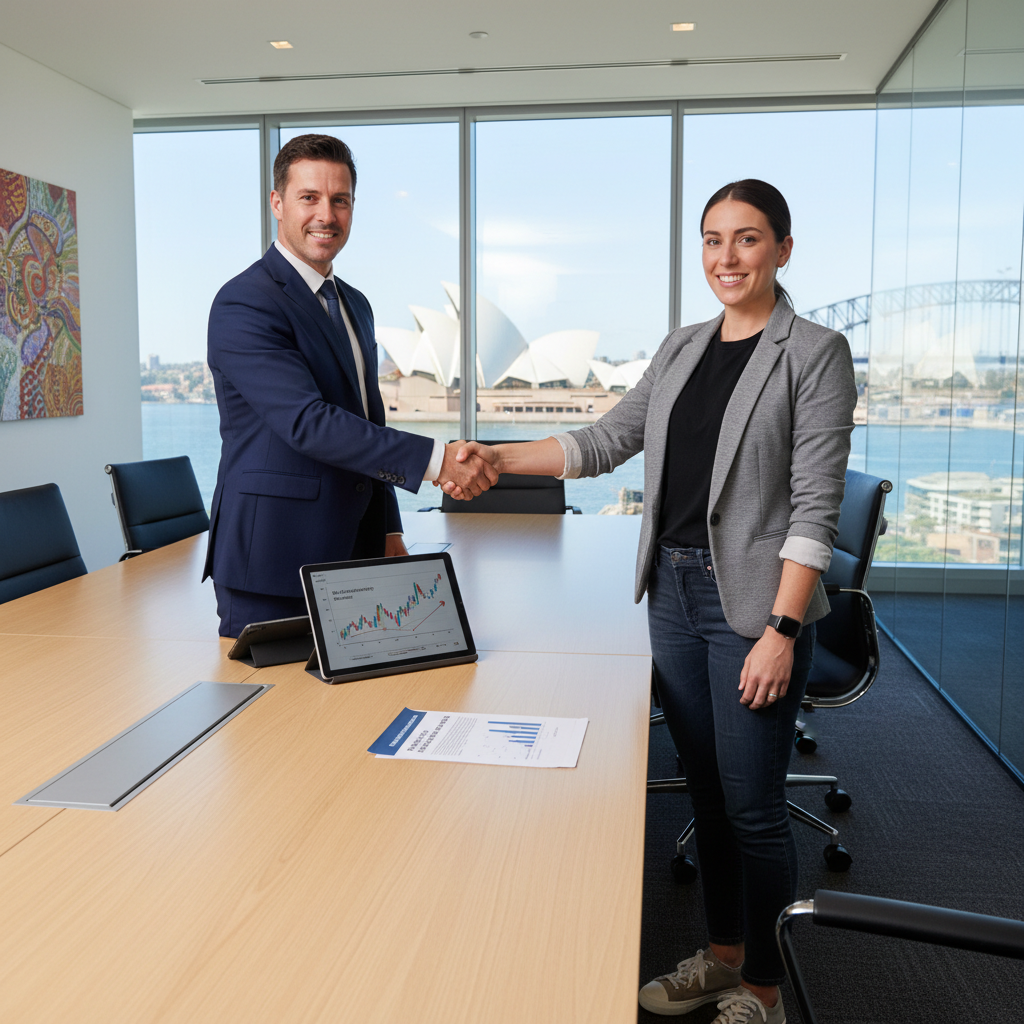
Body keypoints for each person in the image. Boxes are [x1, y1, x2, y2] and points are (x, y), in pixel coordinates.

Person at [449, 180, 857, 1024]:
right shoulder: (680, 348)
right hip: (669, 592)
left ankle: (765, 993)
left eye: (747, 240)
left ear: (783, 248)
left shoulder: (814, 352)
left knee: (752, 808)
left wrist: (782, 629)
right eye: (713, 240)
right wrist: (492, 457)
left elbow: (815, 505)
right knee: (703, 791)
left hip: (751, 605)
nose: (727, 258)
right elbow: (603, 441)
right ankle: (721, 955)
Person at [203, 134, 496, 637]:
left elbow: (367, 422)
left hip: (357, 551)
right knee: (276, 711)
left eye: (340, 200)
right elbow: (307, 422)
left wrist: (388, 526)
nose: (327, 215)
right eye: (309, 197)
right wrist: (437, 461)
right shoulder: (244, 302)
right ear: (277, 202)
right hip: (275, 557)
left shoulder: (354, 304)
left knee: (352, 706)